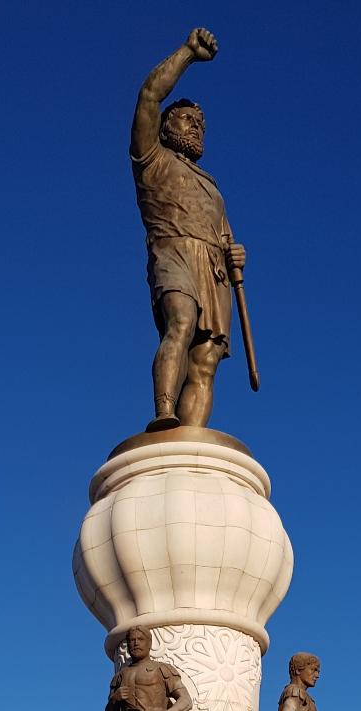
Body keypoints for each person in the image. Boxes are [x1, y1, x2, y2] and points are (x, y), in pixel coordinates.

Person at [131, 28, 247, 429]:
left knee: (207, 358)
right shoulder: (151, 159)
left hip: (213, 268)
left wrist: (236, 254)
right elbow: (149, 96)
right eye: (186, 119)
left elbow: (227, 237)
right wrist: (187, 53)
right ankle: (164, 412)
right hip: (173, 251)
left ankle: (192, 436)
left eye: (201, 123)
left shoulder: (213, 187)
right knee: (180, 320)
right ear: (165, 128)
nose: (196, 127)